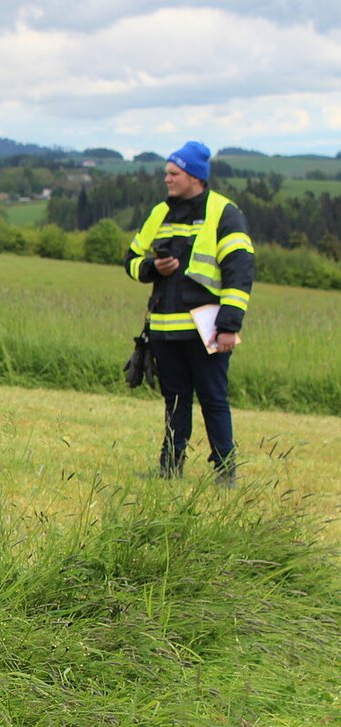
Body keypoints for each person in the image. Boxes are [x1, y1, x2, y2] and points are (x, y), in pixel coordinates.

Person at [126, 141, 254, 486]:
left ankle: (225, 472)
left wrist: (229, 326)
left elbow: (240, 273)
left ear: (195, 176)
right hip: (165, 329)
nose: (166, 179)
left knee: (214, 401)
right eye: (166, 173)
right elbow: (131, 261)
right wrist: (152, 268)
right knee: (175, 402)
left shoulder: (224, 213)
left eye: (174, 173)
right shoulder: (159, 213)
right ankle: (170, 469)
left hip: (207, 330)